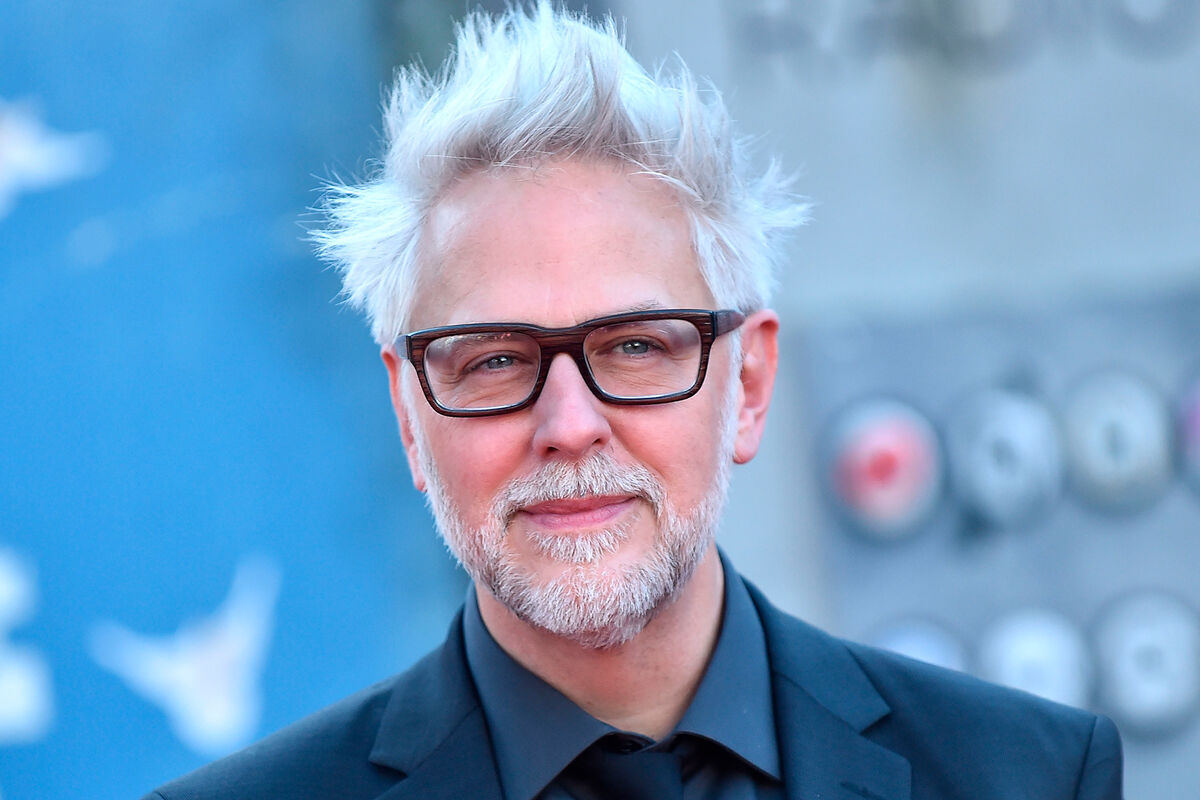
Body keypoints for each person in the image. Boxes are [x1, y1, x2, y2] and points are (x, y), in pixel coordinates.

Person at [144, 3, 1123, 799]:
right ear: (409, 414)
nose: (570, 426)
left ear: (748, 383)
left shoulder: (1030, 775)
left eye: (636, 346)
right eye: (495, 361)